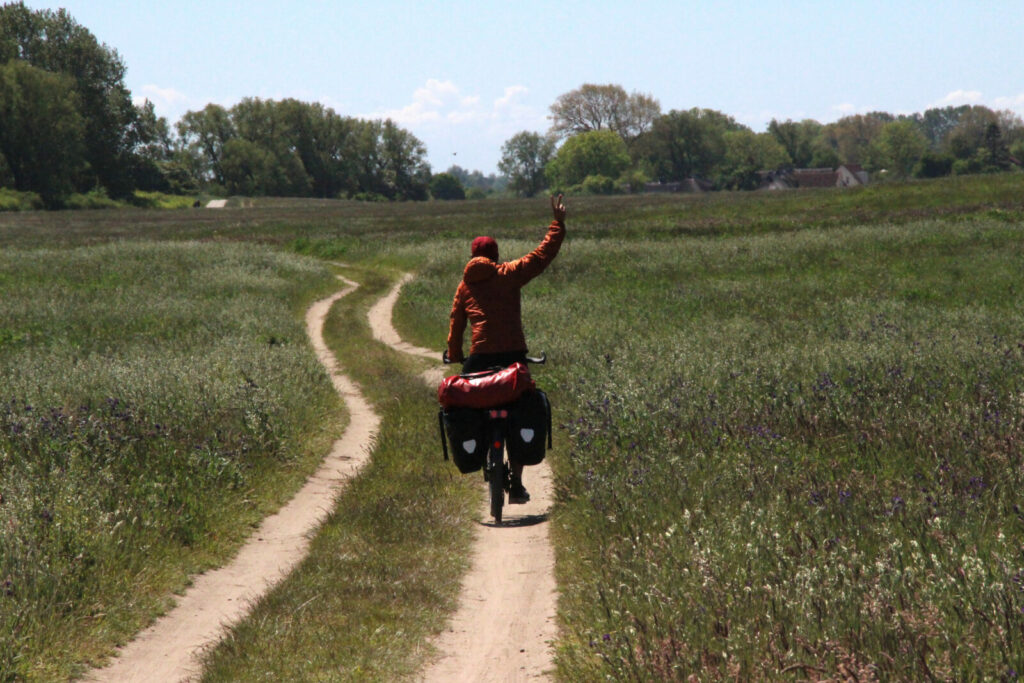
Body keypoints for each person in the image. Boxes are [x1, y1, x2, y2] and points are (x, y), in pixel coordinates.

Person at [446, 194, 567, 503]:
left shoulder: (465, 286)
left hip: (479, 360)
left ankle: (485, 451)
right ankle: (516, 482)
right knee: (523, 408)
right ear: (495, 256)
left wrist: (456, 355)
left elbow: (456, 325)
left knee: (474, 405)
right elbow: (542, 256)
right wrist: (558, 224)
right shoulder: (508, 274)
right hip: (512, 359)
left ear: (472, 256)